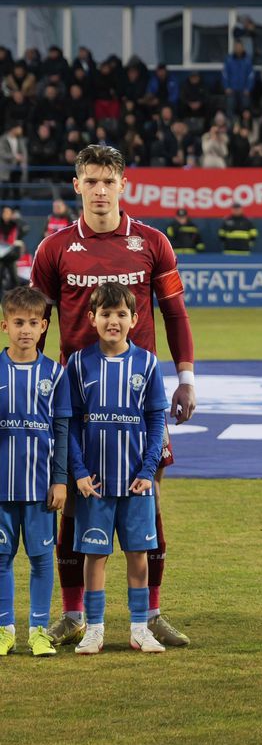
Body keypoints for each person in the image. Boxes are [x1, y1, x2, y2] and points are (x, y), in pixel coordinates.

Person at [31, 144, 196, 649]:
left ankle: (152, 612)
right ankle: (74, 614)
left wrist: (185, 377)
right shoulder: (54, 249)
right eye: (91, 181)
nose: (101, 190)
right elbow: (35, 323)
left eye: (109, 181)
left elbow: (174, 314)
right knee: (70, 501)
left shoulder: (152, 243)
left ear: (124, 185)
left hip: (138, 401)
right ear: (76, 186)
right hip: (72, 399)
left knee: (149, 498)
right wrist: (30, 388)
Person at [67, 282, 169, 655]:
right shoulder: (78, 364)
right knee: (95, 555)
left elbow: (156, 419)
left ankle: (139, 627)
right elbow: (73, 422)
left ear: (135, 319)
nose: (114, 321)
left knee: (138, 554)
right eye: (106, 314)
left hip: (135, 483)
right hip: (94, 483)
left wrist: (148, 468)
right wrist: (77, 471)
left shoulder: (147, 363)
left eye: (121, 314)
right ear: (92, 318)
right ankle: (94, 628)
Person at [0, 287, 70, 657]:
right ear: (4, 325)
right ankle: (4, 628)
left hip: (42, 488)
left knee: (43, 560)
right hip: (2, 486)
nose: (25, 330)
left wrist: (60, 479)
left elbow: (61, 430)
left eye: (32, 323)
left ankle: (39, 630)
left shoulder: (55, 374)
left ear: (44, 326)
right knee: (1, 558)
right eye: (18, 323)